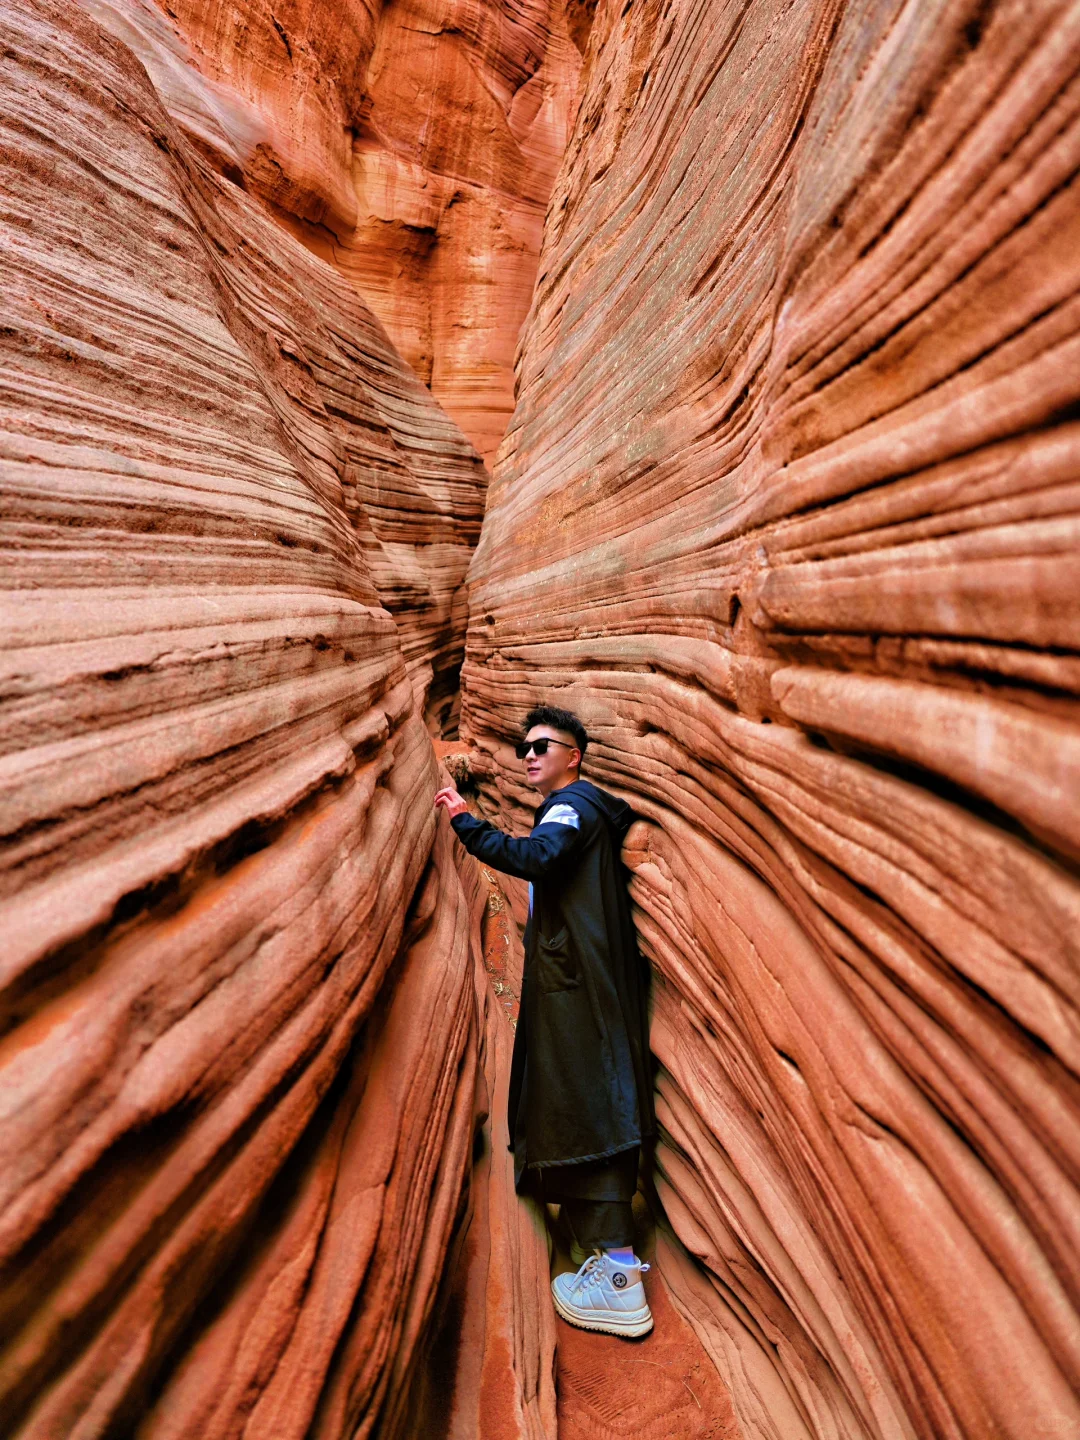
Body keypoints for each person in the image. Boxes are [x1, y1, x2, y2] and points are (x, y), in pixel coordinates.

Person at [434, 704, 655, 1338]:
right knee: (585, 1095)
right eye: (523, 747)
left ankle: (619, 1278)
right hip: (585, 979)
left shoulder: (571, 807)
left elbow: (539, 857)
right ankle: (605, 1255)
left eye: (542, 745)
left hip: (579, 986)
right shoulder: (582, 806)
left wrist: (464, 821)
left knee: (592, 1099)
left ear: (574, 756)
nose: (528, 755)